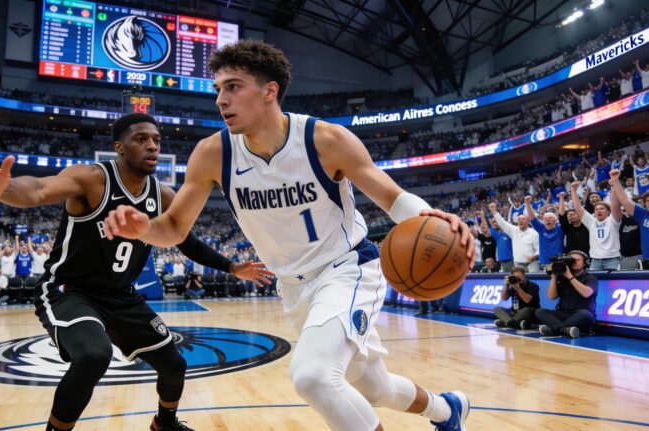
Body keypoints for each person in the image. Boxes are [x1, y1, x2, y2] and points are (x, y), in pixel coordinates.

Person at [103, 40, 476, 431]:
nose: (220, 100)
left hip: (346, 269)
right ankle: (447, 410)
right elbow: (174, 229)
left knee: (314, 377)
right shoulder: (212, 153)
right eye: (218, 90)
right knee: (373, 388)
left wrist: (433, 217)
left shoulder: (324, 140)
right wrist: (145, 228)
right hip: (293, 287)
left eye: (233, 87)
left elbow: (393, 199)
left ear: (269, 91)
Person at [0, 112, 274, 431]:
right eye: (141, 139)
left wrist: (232, 267)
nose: (153, 146)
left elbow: (186, 241)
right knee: (93, 355)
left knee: (175, 364)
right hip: (70, 291)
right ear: (119, 147)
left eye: (156, 140)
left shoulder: (165, 195)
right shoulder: (92, 179)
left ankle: (165, 423)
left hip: (122, 297)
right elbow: (38, 190)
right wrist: (4, 189)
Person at [609, 169, 649, 260]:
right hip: (648, 260)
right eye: (647, 201)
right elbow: (624, 201)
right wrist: (615, 180)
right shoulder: (642, 214)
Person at [535, 250, 597, 339]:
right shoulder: (562, 278)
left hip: (580, 315)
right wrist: (553, 277)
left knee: (585, 314)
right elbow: (551, 297)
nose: (574, 262)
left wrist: (570, 277)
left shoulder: (590, 278)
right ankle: (565, 330)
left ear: (585, 263)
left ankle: (554, 330)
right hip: (563, 314)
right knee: (540, 311)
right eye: (571, 260)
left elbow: (587, 293)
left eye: (577, 260)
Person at [570, 181, 622, 270]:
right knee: (593, 283)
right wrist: (573, 191)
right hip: (595, 260)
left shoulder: (613, 220)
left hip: (612, 259)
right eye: (596, 209)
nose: (598, 211)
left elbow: (615, 206)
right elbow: (578, 208)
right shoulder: (591, 221)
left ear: (608, 211)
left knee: (614, 284)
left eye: (602, 208)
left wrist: (613, 187)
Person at [489, 203, 539, 272]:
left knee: (533, 281)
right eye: (519, 219)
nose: (521, 220)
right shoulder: (514, 231)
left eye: (523, 219)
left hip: (532, 264)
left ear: (528, 222)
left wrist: (534, 257)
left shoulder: (534, 233)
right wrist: (494, 211)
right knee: (518, 282)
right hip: (518, 264)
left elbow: (539, 249)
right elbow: (502, 223)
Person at [523, 196, 563, 269]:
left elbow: (563, 215)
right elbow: (532, 217)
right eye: (545, 219)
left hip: (559, 262)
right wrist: (527, 203)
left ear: (555, 220)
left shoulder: (561, 228)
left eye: (550, 218)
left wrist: (561, 199)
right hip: (544, 263)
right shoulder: (541, 228)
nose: (547, 220)